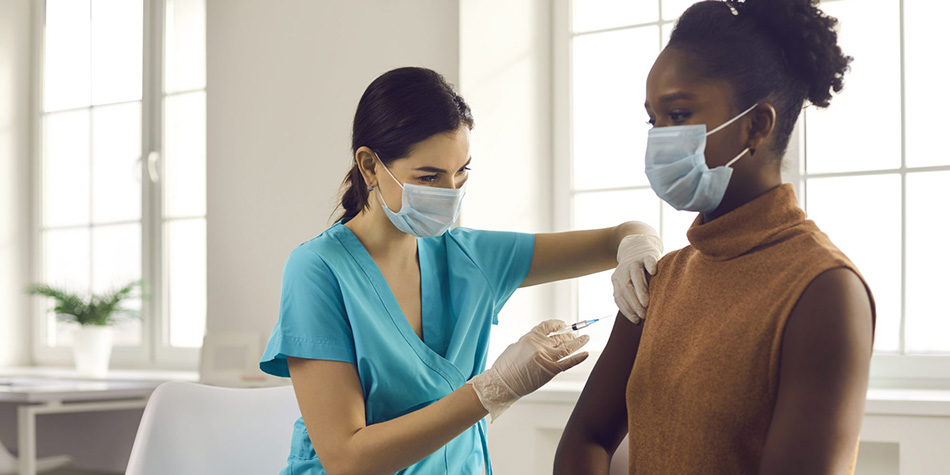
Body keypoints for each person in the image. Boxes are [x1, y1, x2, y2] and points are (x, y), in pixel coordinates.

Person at [260, 66, 664, 475]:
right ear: (369, 166)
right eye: (428, 177)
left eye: (461, 172)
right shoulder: (319, 270)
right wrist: (493, 389)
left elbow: (621, 236)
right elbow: (347, 460)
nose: (450, 193)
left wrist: (638, 246)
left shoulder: (471, 256)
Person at [555, 0, 876, 473]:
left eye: (679, 114)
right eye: (653, 119)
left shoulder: (824, 290)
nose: (660, 138)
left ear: (756, 126)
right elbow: (588, 437)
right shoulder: (659, 280)